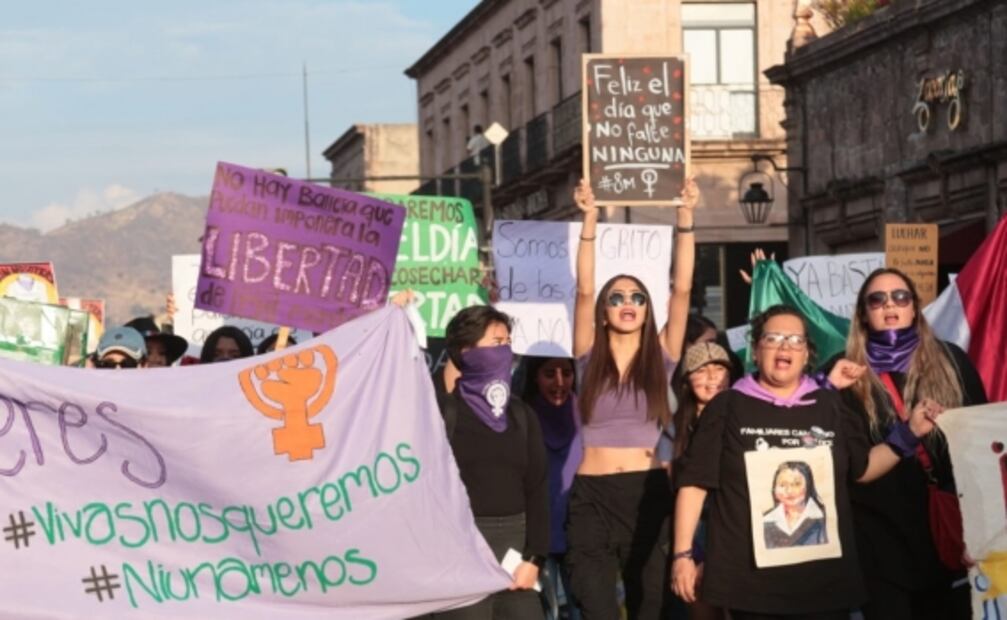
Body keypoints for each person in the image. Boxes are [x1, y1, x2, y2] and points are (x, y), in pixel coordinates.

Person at [672, 305, 945, 620]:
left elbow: (864, 468)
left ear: (806, 355)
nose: (785, 346)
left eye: (795, 340)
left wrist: (909, 433)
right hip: (751, 586)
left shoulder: (831, 405)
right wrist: (683, 554)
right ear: (756, 350)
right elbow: (694, 484)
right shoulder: (728, 405)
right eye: (773, 338)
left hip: (823, 586)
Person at [565, 177, 698, 620]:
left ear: (647, 308)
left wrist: (685, 217)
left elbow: (681, 290)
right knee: (597, 604)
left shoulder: (662, 356)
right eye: (617, 297)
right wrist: (589, 219)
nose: (628, 302)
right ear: (603, 312)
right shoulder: (586, 356)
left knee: (651, 606)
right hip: (591, 497)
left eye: (637, 297)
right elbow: (584, 289)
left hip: (647, 494)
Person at [824, 268, 987, 620]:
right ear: (864, 314)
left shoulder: (951, 361)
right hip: (876, 537)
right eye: (877, 299)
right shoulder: (844, 371)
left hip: (944, 531)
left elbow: (980, 451)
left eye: (900, 297)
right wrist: (825, 387)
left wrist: (982, 530)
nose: (890, 305)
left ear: (914, 308)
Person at [429, 305, 548, 620]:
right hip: (460, 559)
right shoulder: (441, 414)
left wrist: (534, 559)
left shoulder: (522, 416)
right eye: (496, 343)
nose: (505, 351)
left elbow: (537, 490)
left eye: (507, 343)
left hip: (515, 557)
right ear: (466, 352)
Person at [522, 356, 582, 620]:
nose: (559, 382)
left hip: (581, 534)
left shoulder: (590, 413)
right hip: (536, 536)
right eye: (549, 373)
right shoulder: (520, 416)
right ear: (535, 376)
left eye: (566, 373)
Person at [762, 461, 827, 549]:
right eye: (782, 485)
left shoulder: (824, 516)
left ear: (809, 486)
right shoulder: (765, 520)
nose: (789, 491)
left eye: (796, 484)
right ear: (774, 489)